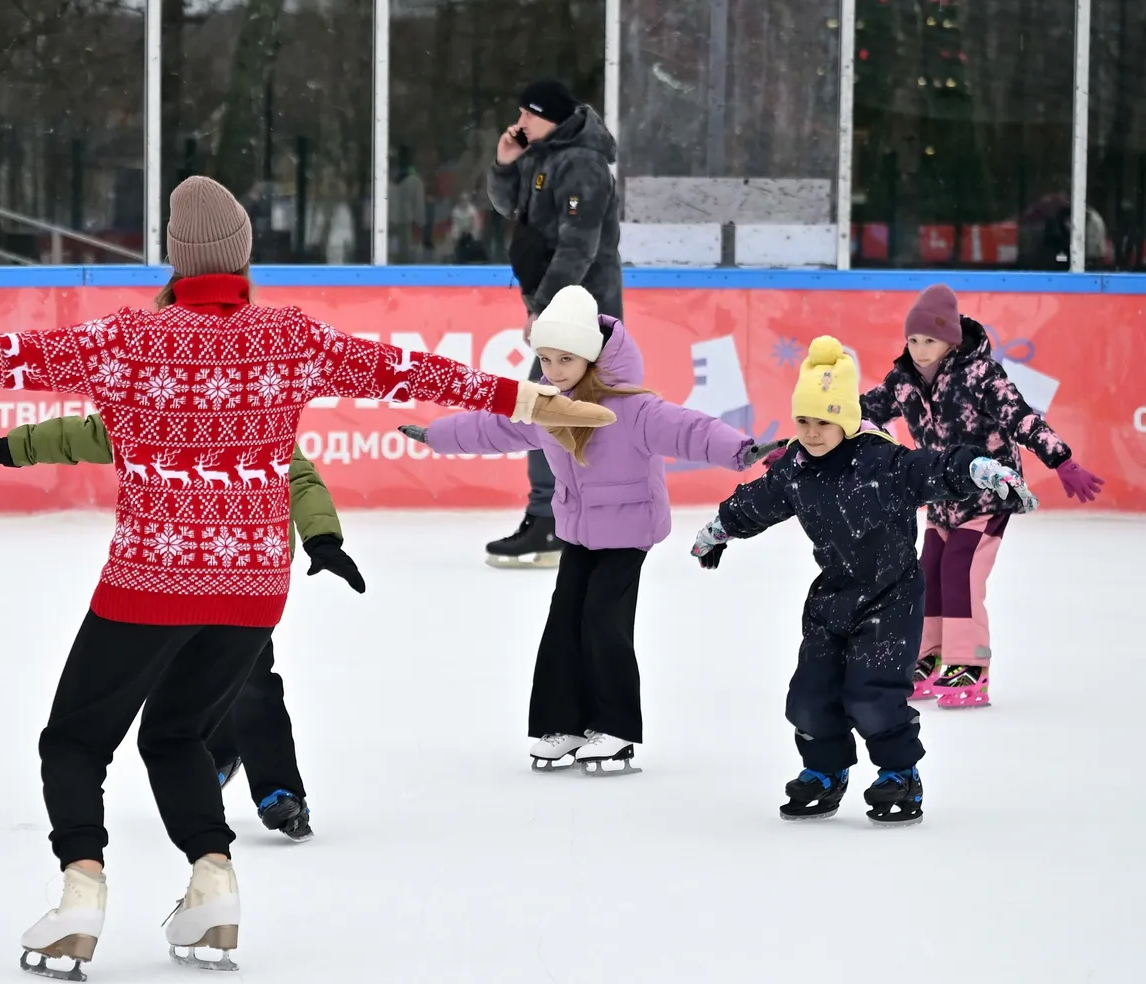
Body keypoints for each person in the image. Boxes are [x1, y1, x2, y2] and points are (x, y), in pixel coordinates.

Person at [0, 175, 615, 981]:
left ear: (175, 260)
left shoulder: (126, 339)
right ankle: (212, 882)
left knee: (75, 740)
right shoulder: (289, 337)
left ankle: (81, 889)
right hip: (252, 588)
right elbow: (414, 373)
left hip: (150, 579)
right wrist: (540, 403)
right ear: (244, 258)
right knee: (175, 734)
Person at [403, 285, 781, 776]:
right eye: (544, 358)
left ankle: (616, 727)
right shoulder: (545, 408)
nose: (553, 370)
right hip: (579, 531)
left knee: (604, 620)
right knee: (564, 622)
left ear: (592, 355)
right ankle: (561, 725)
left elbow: (690, 429)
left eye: (565, 359)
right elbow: (492, 427)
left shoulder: (634, 408)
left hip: (629, 531)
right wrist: (437, 435)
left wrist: (740, 450)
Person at [0, 411, 365, 843]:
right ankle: (212, 755)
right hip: (168, 576)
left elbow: (299, 478)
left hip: (244, 577)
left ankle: (278, 790)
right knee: (188, 681)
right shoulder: (155, 407)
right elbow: (89, 435)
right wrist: (8, 448)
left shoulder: (255, 411)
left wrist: (322, 538)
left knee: (252, 684)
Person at [690, 338, 1036, 825]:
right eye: (803, 420)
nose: (811, 432)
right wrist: (719, 530)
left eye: (823, 421)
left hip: (890, 597)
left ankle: (899, 773)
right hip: (832, 599)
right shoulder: (795, 467)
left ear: (847, 419)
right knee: (809, 697)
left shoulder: (881, 463)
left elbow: (932, 467)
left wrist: (978, 468)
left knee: (872, 696)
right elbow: (759, 500)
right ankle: (824, 772)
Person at [860, 284, 1103, 708]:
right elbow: (859, 413)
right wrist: (806, 446)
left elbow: (1019, 416)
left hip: (987, 495)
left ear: (951, 339)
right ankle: (928, 658)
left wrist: (1059, 458)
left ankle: (969, 664)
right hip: (938, 498)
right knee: (927, 574)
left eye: (929, 340)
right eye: (913, 339)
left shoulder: (980, 376)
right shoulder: (903, 381)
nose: (919, 349)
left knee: (960, 571)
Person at [484, 78, 624, 570]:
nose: (519, 123)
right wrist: (504, 163)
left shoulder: (582, 164)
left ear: (554, 118)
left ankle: (551, 520)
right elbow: (509, 208)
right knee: (565, 414)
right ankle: (574, 519)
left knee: (543, 408)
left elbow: (578, 246)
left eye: (528, 115)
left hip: (582, 314)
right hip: (564, 311)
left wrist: (545, 308)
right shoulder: (543, 154)